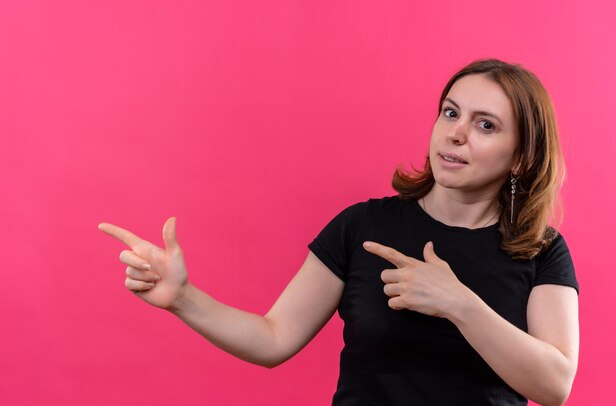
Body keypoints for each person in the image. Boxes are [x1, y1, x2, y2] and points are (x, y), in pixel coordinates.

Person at [99, 59, 579, 406]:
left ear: (521, 156)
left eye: (486, 125)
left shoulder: (541, 251)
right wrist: (183, 297)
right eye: (450, 113)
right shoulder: (364, 226)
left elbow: (555, 385)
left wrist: (459, 303)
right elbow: (273, 339)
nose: (455, 134)